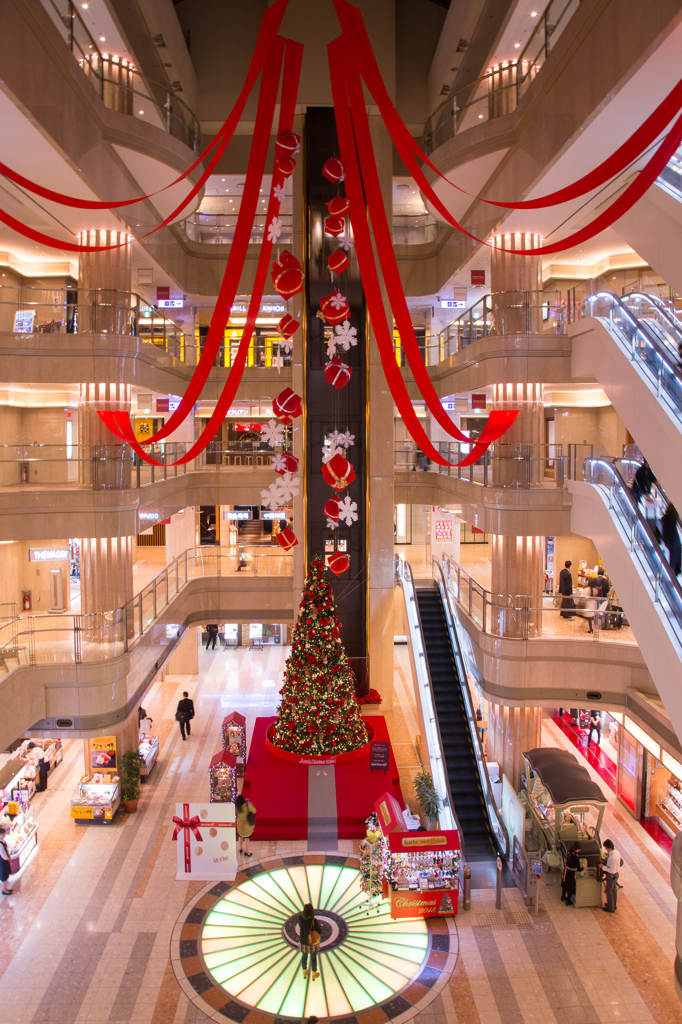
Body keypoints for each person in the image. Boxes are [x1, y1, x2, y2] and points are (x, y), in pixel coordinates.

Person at [299, 902, 320, 980]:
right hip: (312, 943)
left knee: (304, 956)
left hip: (303, 942)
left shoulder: (300, 919)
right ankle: (314, 974)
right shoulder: (314, 921)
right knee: (313, 958)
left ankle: (305, 971)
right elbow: (319, 931)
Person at [662, 502, 681, 577]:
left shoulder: (666, 519)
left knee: (670, 562)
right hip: (674, 543)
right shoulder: (673, 519)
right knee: (673, 561)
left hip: (669, 544)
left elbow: (664, 534)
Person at [602, 839, 621, 912]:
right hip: (616, 874)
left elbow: (611, 870)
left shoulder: (612, 858)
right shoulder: (616, 852)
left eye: (606, 848)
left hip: (611, 875)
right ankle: (613, 904)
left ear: (609, 848)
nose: (606, 850)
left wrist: (602, 867)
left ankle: (610, 907)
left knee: (609, 891)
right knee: (614, 891)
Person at [235, 792, 256, 858]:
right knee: (246, 839)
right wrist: (249, 803)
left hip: (240, 826)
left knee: (240, 837)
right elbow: (254, 810)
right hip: (246, 826)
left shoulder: (237, 807)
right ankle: (247, 852)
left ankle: (240, 849)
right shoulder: (247, 807)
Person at [0, 827, 13, 895]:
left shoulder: (2, 841)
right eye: (3, 833)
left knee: (5, 875)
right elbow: (3, 854)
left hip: (5, 861)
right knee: (3, 876)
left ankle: (5, 888)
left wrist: (9, 857)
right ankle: (4, 890)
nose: (5, 834)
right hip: (2, 862)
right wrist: (8, 858)